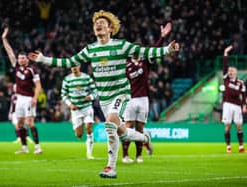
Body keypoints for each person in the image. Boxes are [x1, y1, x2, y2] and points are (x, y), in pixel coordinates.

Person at [29, 10, 179, 178]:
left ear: (110, 29)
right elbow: (69, 62)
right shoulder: (90, 49)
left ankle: (111, 167)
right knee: (121, 132)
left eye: (102, 23)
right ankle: (145, 138)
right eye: (95, 24)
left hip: (121, 94)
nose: (98, 25)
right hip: (104, 99)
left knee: (109, 125)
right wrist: (43, 59)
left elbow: (146, 52)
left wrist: (167, 49)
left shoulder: (121, 45)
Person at [122, 22, 172, 164]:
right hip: (130, 99)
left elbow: (155, 51)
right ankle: (125, 155)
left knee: (139, 129)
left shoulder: (145, 62)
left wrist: (162, 37)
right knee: (128, 127)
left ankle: (138, 155)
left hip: (143, 99)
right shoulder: (126, 66)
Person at [2, 27, 42, 154]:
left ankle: (37, 147)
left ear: (27, 59)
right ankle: (24, 148)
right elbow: (9, 51)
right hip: (19, 99)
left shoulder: (32, 70)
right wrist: (4, 39)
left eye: (23, 58)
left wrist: (35, 98)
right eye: (19, 58)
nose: (21, 60)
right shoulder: (16, 67)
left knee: (30, 122)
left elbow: (38, 85)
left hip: (29, 99)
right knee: (19, 124)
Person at [61, 65, 97, 159]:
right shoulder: (67, 79)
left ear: (79, 66)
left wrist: (91, 97)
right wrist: (70, 104)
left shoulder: (87, 77)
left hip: (87, 108)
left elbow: (95, 91)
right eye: (72, 66)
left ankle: (89, 153)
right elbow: (63, 95)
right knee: (79, 135)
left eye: (75, 65)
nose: (74, 68)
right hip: (75, 110)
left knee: (89, 127)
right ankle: (80, 131)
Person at [222, 45, 246, 153]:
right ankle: (228, 147)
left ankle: (241, 147)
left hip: (237, 105)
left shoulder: (241, 83)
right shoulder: (226, 79)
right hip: (227, 105)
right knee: (227, 126)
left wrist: (245, 105)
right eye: (230, 70)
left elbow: (244, 94)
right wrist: (225, 53)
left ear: (236, 72)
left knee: (239, 126)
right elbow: (225, 65)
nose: (230, 71)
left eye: (233, 70)